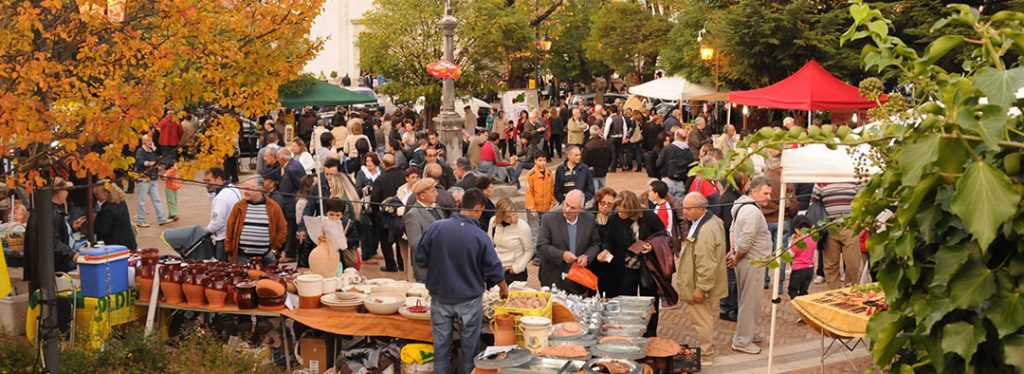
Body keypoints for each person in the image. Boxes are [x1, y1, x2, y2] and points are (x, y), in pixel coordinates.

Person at [416, 188, 508, 374]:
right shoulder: (480, 236)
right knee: (469, 349)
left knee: (441, 347)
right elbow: (494, 268)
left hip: (440, 297)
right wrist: (503, 288)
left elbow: (420, 259)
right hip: (469, 300)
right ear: (478, 208)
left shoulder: (437, 227)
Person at [674, 192, 727, 367]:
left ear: (701, 209)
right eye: (684, 207)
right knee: (705, 319)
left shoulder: (705, 231)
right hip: (701, 283)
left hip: (700, 286)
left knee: (702, 320)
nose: (684, 212)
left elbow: (706, 263)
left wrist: (701, 288)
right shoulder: (709, 222)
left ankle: (706, 355)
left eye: (688, 208)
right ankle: (706, 352)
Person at [602, 191, 665, 336]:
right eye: (617, 210)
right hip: (624, 268)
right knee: (625, 301)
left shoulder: (649, 217)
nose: (620, 214)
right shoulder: (614, 219)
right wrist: (606, 250)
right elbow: (608, 240)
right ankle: (628, 333)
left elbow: (663, 236)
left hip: (647, 267)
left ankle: (649, 334)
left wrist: (651, 246)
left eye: (623, 212)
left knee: (649, 301)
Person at [727, 176, 773, 355]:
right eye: (765, 193)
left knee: (750, 301)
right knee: (749, 301)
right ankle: (742, 340)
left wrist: (733, 251)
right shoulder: (752, 211)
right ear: (754, 192)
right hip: (751, 262)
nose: (769, 197)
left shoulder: (741, 206)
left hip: (747, 260)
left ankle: (748, 333)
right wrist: (737, 255)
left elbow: (732, 230)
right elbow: (746, 241)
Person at [536, 190, 600, 294]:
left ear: (581, 209)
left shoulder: (589, 219)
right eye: (566, 204)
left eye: (573, 208)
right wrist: (562, 255)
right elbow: (541, 246)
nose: (567, 209)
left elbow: (595, 244)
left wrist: (587, 257)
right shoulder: (548, 219)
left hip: (578, 280)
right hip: (553, 278)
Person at [225, 176, 287, 265]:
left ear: (259, 189)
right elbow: (230, 229)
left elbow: (282, 229)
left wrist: (274, 249)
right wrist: (229, 250)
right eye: (244, 188)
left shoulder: (273, 207)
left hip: (266, 257)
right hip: (242, 257)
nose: (245, 192)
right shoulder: (238, 207)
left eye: (248, 189)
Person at [813, 181, 863, 289]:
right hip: (829, 226)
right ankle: (834, 293)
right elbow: (814, 201)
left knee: (853, 262)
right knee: (830, 265)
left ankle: (851, 290)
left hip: (850, 225)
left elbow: (864, 198)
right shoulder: (822, 181)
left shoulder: (854, 178)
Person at [370, 154, 407, 272]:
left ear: (383, 165)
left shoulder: (380, 179)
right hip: (401, 213)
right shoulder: (403, 176)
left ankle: (391, 265)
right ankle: (402, 264)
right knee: (400, 240)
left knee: (386, 242)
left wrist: (376, 214)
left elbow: (374, 199)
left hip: (385, 216)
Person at [404, 178, 445, 282]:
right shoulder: (413, 214)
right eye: (433, 191)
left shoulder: (437, 208)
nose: (436, 193)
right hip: (427, 269)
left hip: (442, 266)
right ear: (422, 196)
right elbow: (415, 243)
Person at [488, 198, 534, 284]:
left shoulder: (523, 227)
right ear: (500, 216)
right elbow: (490, 244)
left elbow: (529, 250)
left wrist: (518, 268)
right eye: (508, 217)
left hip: (513, 271)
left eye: (514, 214)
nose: (512, 219)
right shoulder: (493, 222)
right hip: (497, 268)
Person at [134, 134, 170, 228]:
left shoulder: (152, 150)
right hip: (144, 179)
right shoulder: (140, 151)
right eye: (148, 141)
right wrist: (152, 164)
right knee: (141, 201)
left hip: (153, 178)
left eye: (151, 140)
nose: (151, 142)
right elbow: (140, 162)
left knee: (157, 199)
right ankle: (140, 220)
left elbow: (156, 160)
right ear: (143, 142)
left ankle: (161, 218)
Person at [203, 168, 240, 260]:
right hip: (234, 233)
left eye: (208, 180)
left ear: (218, 179)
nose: (206, 184)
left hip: (223, 238)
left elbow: (217, 223)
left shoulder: (221, 198)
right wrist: (211, 192)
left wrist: (206, 230)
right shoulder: (233, 188)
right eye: (204, 181)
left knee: (221, 266)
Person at [48, 178, 83, 273]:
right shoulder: (53, 213)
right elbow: (54, 241)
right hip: (57, 264)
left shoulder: (56, 211)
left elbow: (58, 232)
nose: (67, 193)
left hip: (60, 260)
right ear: (58, 192)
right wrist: (71, 254)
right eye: (65, 190)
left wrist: (72, 227)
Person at [787, 215, 817, 319]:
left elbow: (788, 255)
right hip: (810, 268)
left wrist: (790, 243)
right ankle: (806, 311)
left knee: (793, 290)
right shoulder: (813, 239)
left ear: (796, 229)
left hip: (798, 270)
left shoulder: (797, 242)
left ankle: (802, 310)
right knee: (804, 291)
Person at [93, 183, 137, 250]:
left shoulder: (108, 210)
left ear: (105, 193)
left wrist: (94, 221)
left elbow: (102, 230)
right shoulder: (120, 202)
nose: (96, 197)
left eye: (97, 194)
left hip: (117, 246)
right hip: (128, 242)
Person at [525, 151, 555, 243]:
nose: (542, 162)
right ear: (535, 161)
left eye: (544, 160)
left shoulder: (549, 173)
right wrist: (531, 208)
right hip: (534, 208)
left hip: (546, 207)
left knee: (544, 231)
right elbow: (528, 192)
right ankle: (536, 254)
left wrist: (552, 201)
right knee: (535, 231)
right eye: (540, 160)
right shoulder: (531, 174)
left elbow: (552, 188)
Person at [657, 129, 694, 202]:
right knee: (679, 206)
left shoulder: (667, 148)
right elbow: (690, 168)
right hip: (681, 181)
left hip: (667, 179)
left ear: (675, 137)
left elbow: (658, 164)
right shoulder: (688, 152)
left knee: (665, 203)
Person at [581, 125, 613, 190]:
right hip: (603, 170)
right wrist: (607, 165)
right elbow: (611, 157)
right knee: (602, 188)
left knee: (594, 190)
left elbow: (584, 160)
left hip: (592, 170)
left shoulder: (588, 146)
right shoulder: (606, 144)